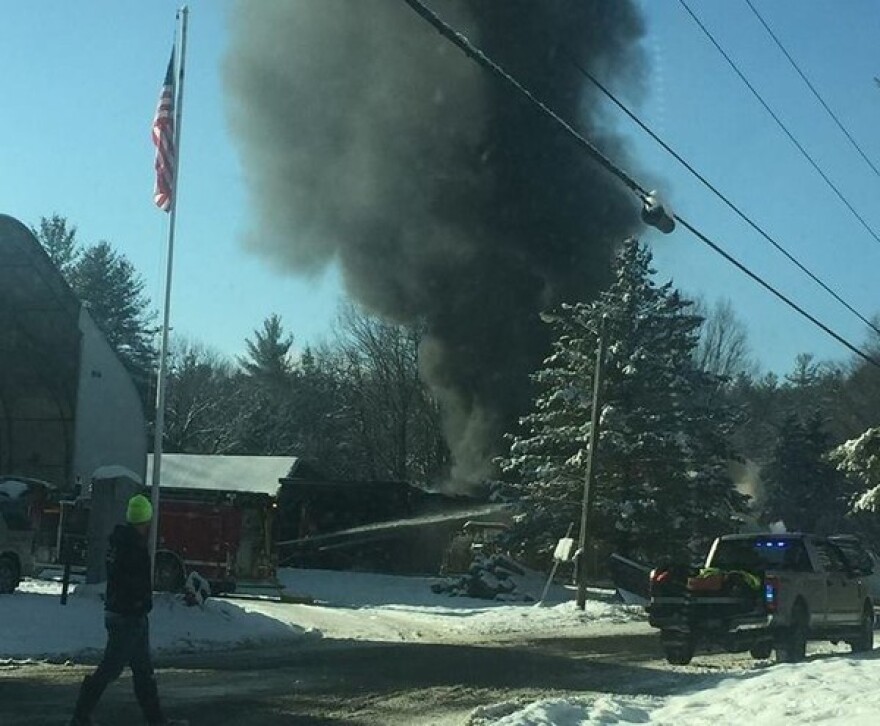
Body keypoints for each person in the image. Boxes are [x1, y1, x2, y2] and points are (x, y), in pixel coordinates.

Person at [70, 494, 168, 726]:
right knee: (112, 669)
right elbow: (134, 582)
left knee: (142, 670)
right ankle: (80, 715)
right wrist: (140, 603)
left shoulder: (118, 544)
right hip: (129, 617)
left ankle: (157, 720)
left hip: (124, 614)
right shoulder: (134, 547)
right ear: (145, 520)